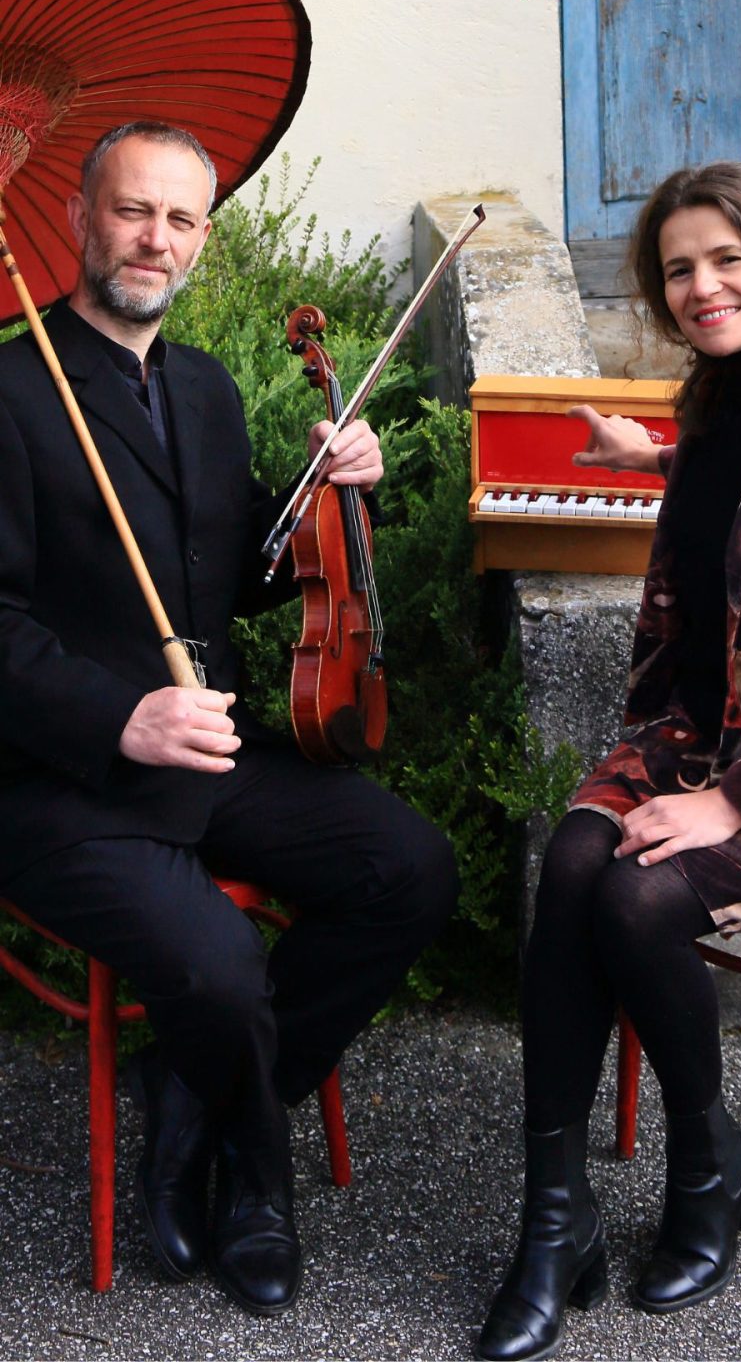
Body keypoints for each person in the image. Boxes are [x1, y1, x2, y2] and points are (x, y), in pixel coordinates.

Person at [0, 121, 458, 1315]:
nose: (155, 238)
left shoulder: (201, 387)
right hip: (59, 779)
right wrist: (120, 716)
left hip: (207, 751)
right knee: (219, 966)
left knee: (407, 868)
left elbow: (242, 564)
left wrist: (327, 494)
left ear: (204, 237)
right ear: (78, 220)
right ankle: (258, 1176)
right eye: (131, 210)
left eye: (181, 217)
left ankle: (190, 1094)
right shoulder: (9, 389)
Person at [477, 161, 741, 1361]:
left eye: (726, 258)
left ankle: (708, 1166)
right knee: (572, 864)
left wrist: (734, 801)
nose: (701, 285)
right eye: (678, 269)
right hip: (691, 737)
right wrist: (651, 459)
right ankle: (554, 1221)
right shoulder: (720, 402)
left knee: (638, 897)